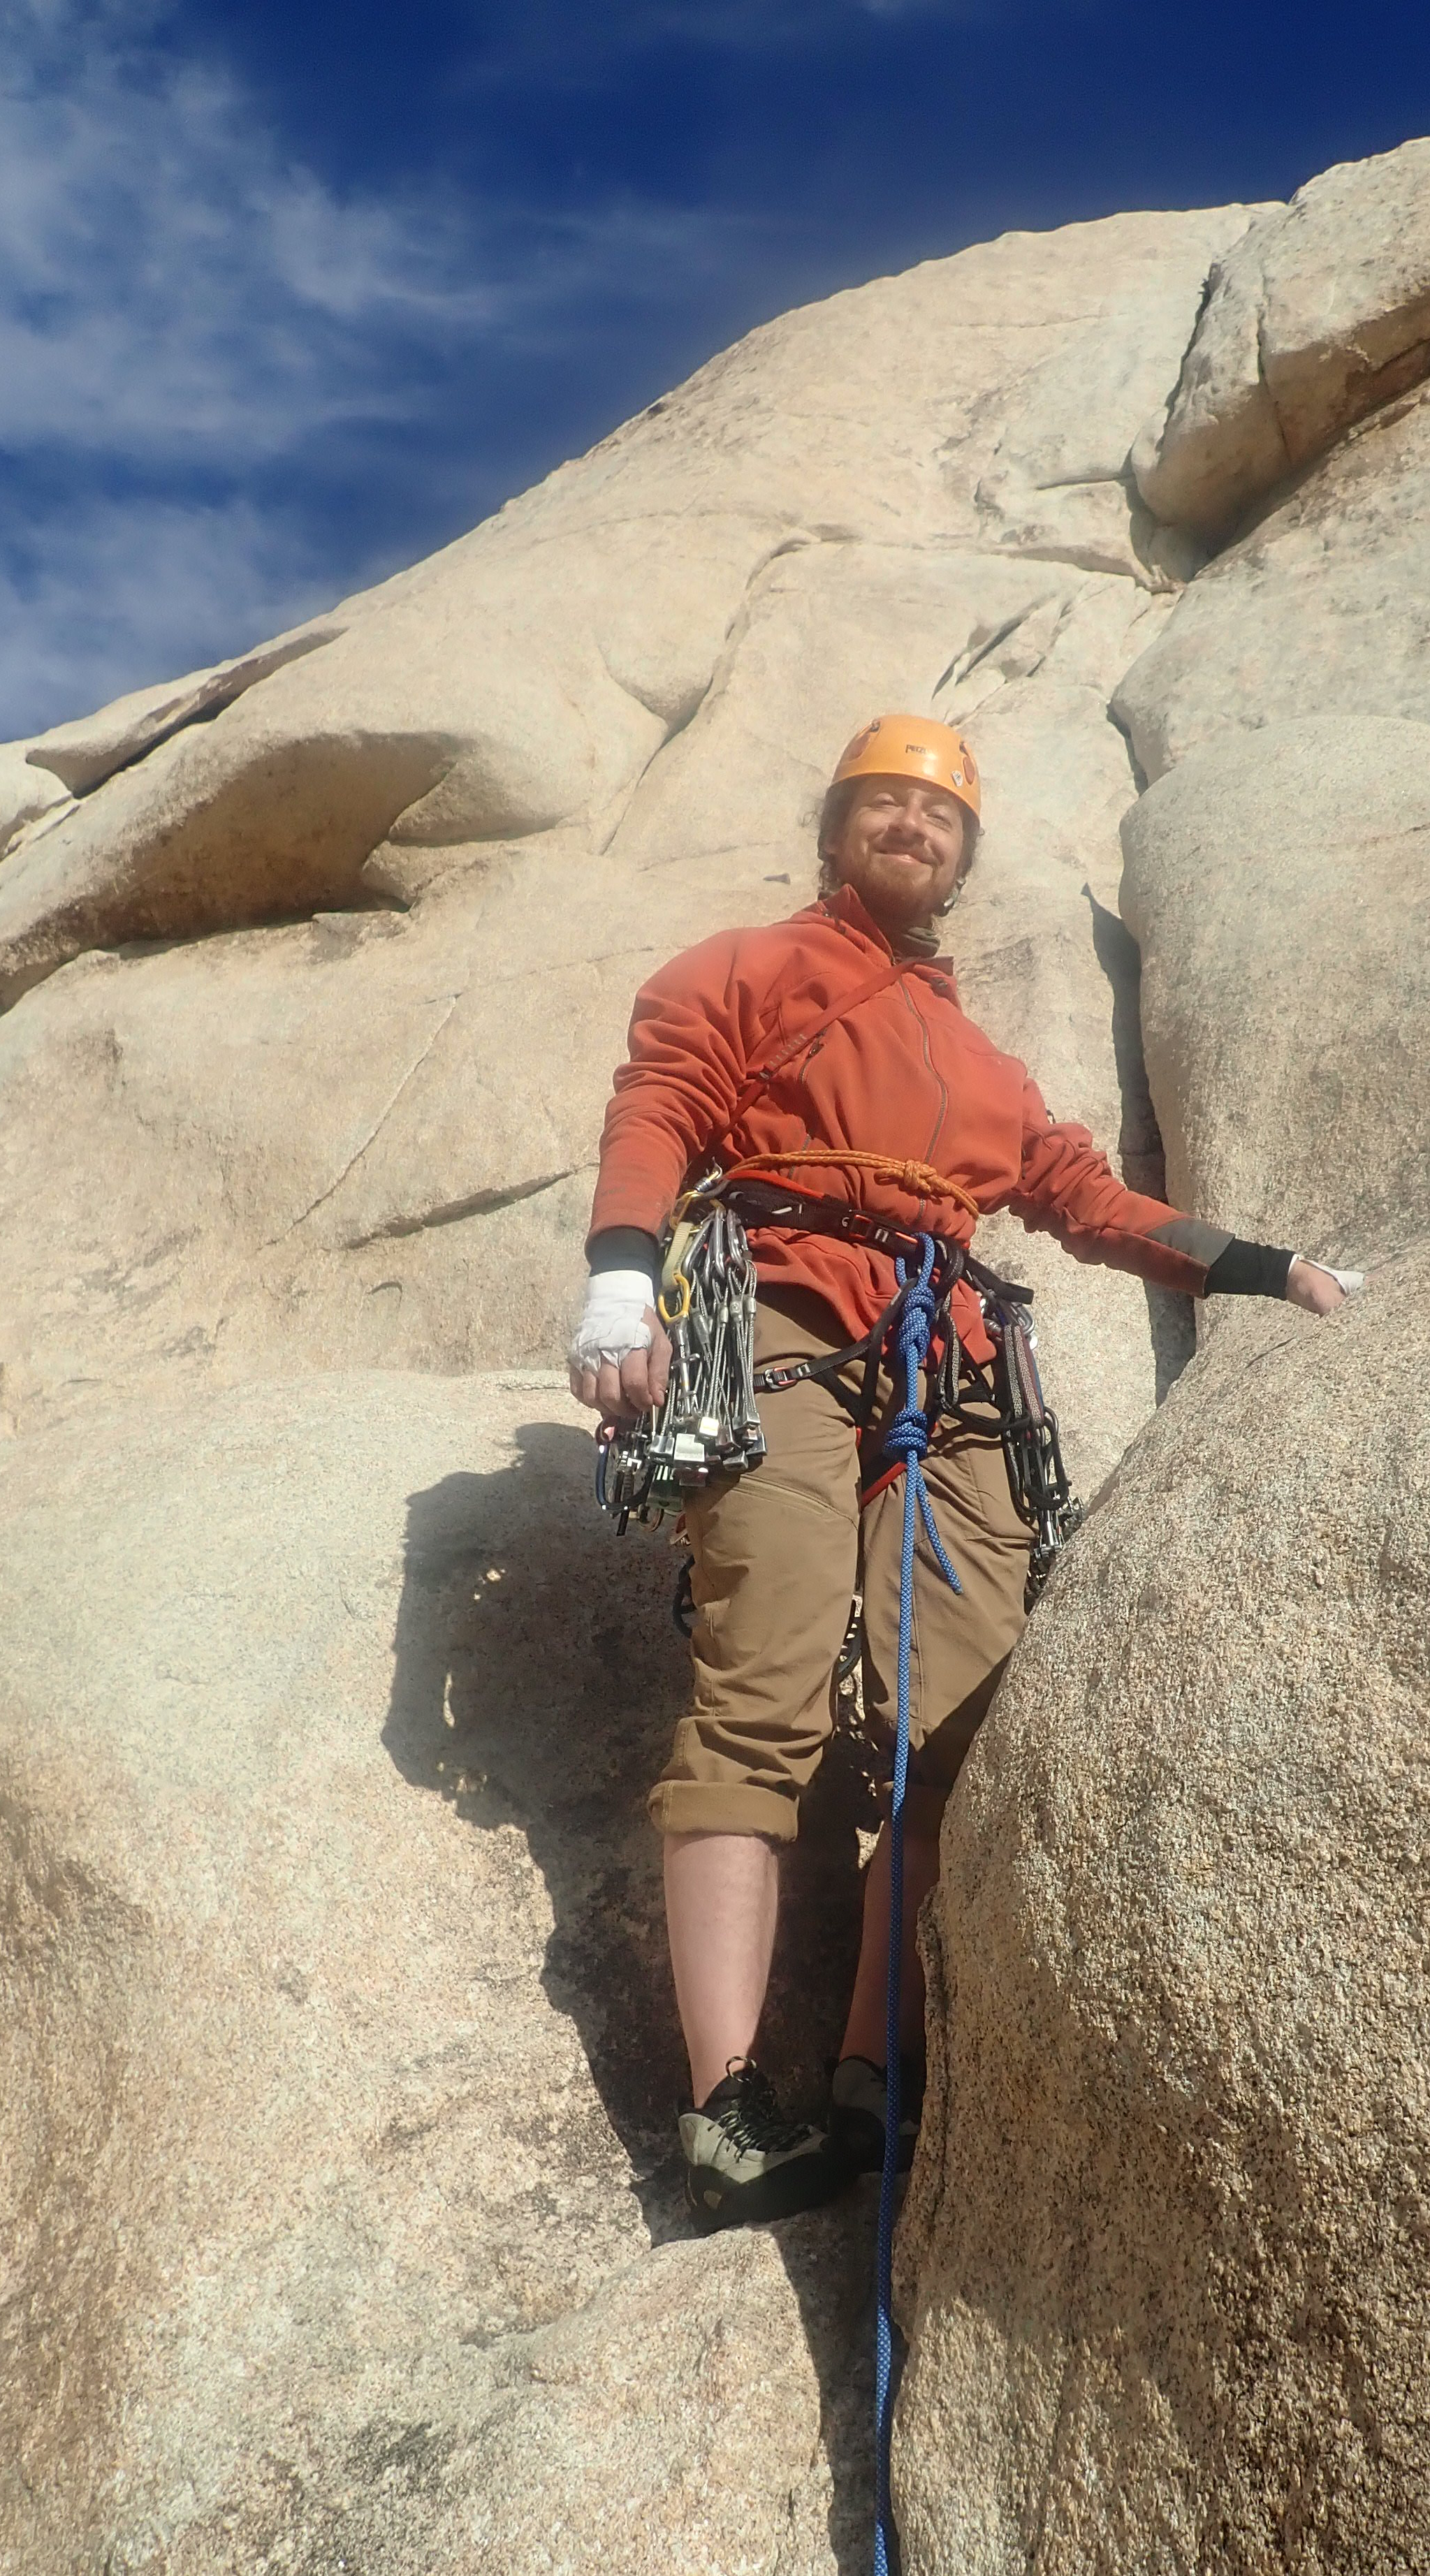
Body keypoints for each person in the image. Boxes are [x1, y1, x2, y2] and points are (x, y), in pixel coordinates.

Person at [571, 713, 1352, 2225]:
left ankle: (879, 2068)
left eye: (937, 816)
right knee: (763, 1690)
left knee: (962, 1723)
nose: (911, 827)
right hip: (789, 1315)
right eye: (883, 803)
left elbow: (1082, 1197)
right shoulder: (748, 968)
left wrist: (1266, 1268)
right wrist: (618, 1270)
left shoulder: (981, 1059)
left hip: (950, 1365)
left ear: (963, 858)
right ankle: (729, 2106)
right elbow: (662, 1102)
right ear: (835, 829)